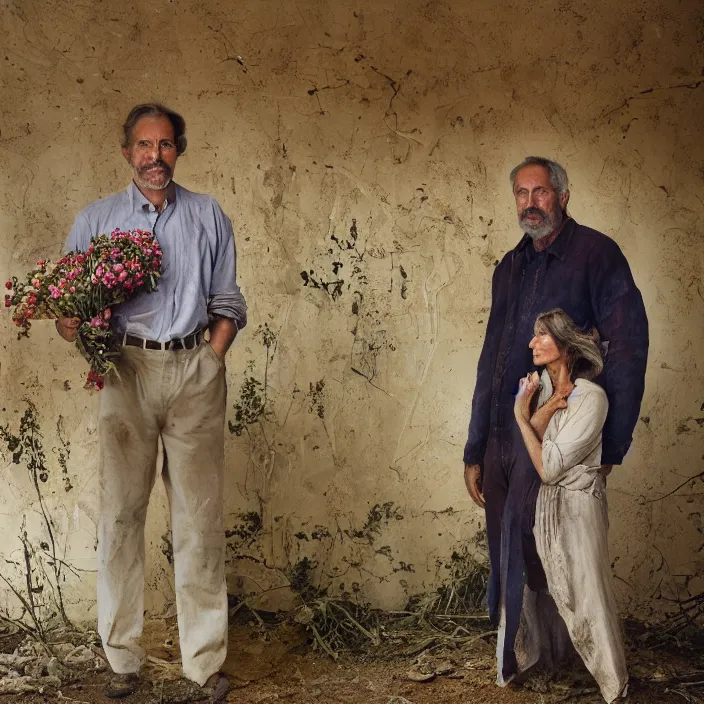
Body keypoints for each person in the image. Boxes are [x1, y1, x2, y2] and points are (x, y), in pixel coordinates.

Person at [55, 103, 247, 701]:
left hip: (194, 369)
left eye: (165, 145)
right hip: (125, 369)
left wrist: (211, 357)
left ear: (178, 150)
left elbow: (229, 302)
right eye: (144, 145)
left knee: (198, 519)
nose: (154, 157)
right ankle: (122, 659)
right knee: (121, 516)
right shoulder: (97, 221)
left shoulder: (207, 214)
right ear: (126, 152)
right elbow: (66, 309)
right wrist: (79, 330)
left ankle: (204, 662)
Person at [462, 156, 648, 685]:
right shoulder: (509, 268)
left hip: (563, 438)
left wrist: (610, 445)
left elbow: (628, 346)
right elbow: (490, 361)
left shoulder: (597, 255)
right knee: (511, 546)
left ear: (562, 196)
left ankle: (587, 666)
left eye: (540, 192)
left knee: (561, 552)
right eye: (521, 193)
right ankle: (527, 660)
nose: (529, 203)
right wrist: (475, 448)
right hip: (505, 436)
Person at [512, 308, 628, 702]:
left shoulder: (591, 398)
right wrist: (530, 408)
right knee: (551, 586)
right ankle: (545, 661)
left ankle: (615, 687)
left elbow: (547, 466)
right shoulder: (545, 391)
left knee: (588, 593)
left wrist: (520, 417)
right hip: (546, 506)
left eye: (541, 335)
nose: (532, 343)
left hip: (578, 507)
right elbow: (534, 440)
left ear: (564, 345)